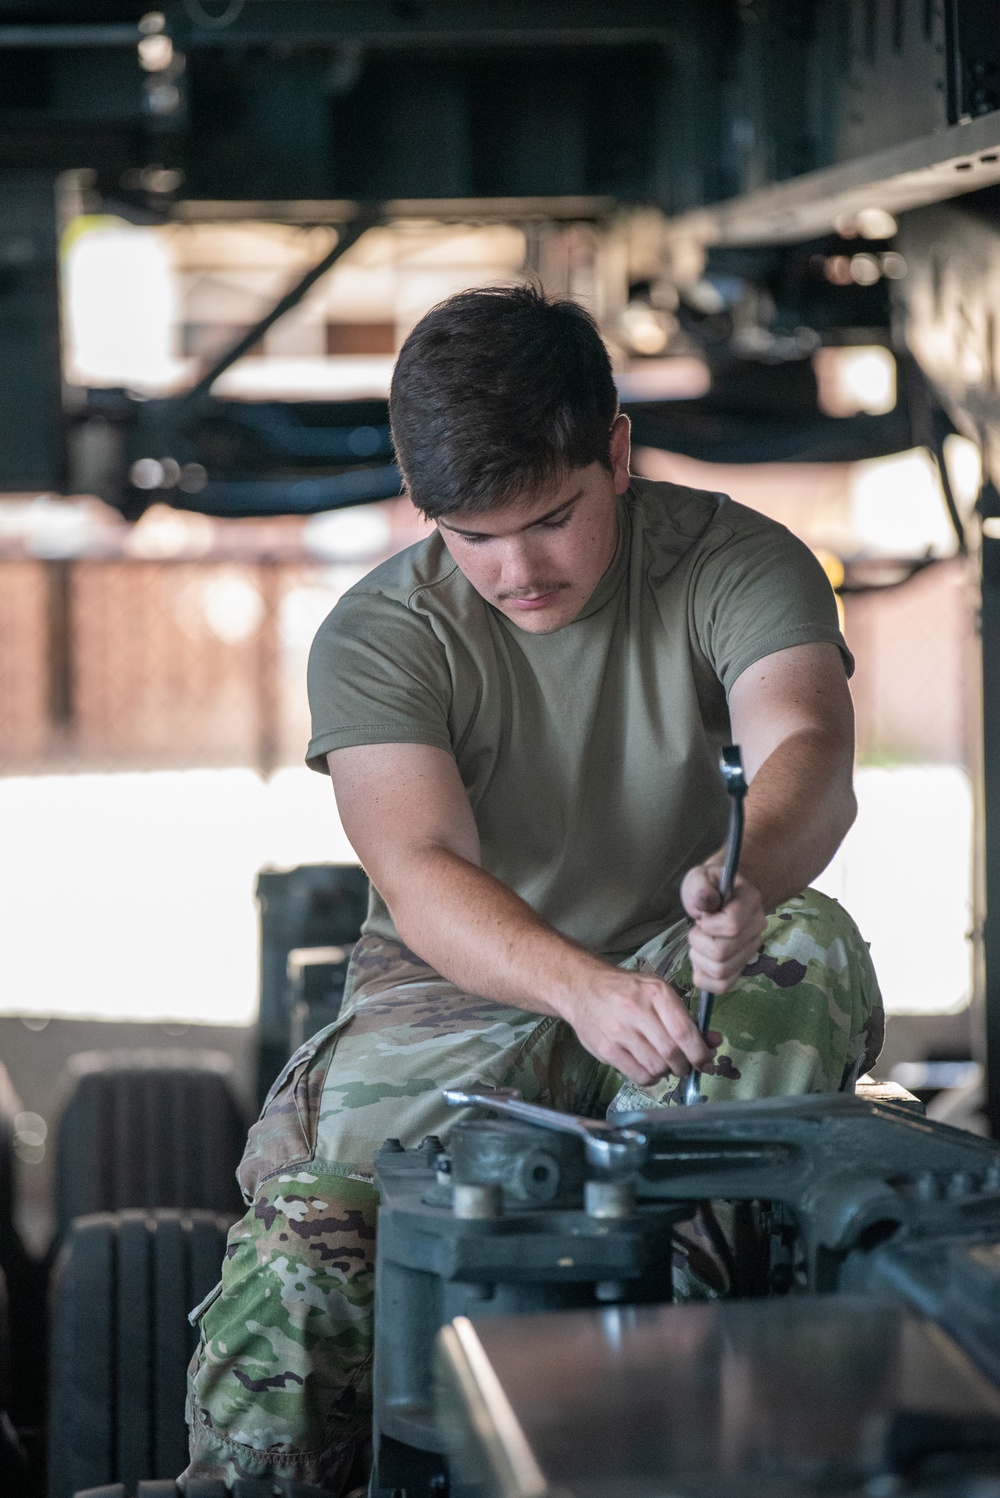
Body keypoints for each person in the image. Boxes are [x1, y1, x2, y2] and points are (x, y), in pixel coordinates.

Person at [184, 286, 883, 1491]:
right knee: (317, 1251)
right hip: (462, 980)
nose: (515, 570)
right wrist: (578, 989)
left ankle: (678, 1375)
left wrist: (744, 875)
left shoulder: (734, 559)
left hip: (692, 955)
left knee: (804, 947)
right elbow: (419, 867)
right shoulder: (381, 632)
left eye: (550, 518)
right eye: (471, 534)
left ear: (614, 451)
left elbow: (808, 749)